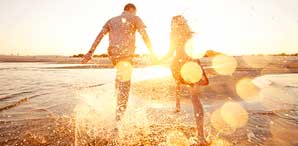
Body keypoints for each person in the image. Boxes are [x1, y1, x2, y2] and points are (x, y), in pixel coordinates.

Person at [81, 3, 157, 121]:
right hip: (125, 55)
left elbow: (99, 36)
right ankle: (118, 122)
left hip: (114, 56)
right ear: (132, 10)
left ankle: (114, 107)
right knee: (125, 88)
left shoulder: (111, 20)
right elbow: (144, 35)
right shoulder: (135, 18)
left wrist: (90, 53)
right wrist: (152, 52)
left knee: (119, 81)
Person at [161, 15, 209, 145]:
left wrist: (158, 58)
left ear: (174, 24)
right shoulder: (189, 34)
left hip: (178, 64)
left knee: (178, 80)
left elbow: (171, 52)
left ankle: (177, 103)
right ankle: (201, 137)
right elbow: (192, 51)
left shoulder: (173, 34)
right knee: (195, 99)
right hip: (192, 64)